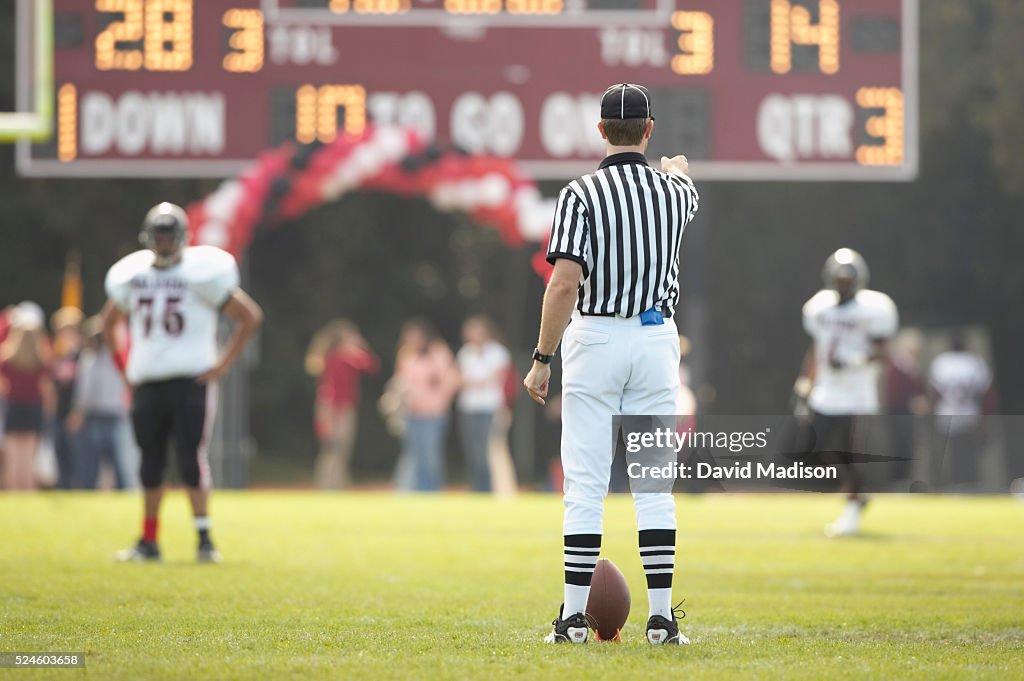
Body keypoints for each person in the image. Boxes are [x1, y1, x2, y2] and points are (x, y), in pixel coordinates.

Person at [523, 83, 699, 645]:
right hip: (654, 340)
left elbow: (564, 284)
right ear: (648, 129)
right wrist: (677, 170)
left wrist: (540, 358)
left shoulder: (580, 194)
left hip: (596, 337)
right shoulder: (675, 194)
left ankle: (573, 619)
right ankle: (663, 620)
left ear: (600, 131)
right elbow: (682, 187)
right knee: (653, 488)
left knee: (585, 487)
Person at [102, 202, 262, 562]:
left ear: (182, 237)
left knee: (191, 460)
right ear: (148, 237)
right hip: (148, 383)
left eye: (169, 235)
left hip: (190, 381)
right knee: (150, 463)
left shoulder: (202, 273)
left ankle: (204, 540)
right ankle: (149, 541)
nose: (163, 242)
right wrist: (123, 365)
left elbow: (249, 316)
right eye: (158, 235)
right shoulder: (134, 276)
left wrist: (222, 364)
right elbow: (107, 321)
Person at [797, 248, 898, 537]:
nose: (843, 284)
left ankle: (852, 507)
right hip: (826, 392)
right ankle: (858, 495)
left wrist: (853, 361)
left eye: (847, 279)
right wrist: (805, 380)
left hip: (856, 393)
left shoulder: (872, 309)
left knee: (851, 453)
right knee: (818, 447)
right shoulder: (819, 307)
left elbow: (884, 354)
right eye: (839, 279)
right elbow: (816, 348)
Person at [305, 319, 380, 489]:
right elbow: (371, 364)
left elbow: (371, 366)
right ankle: (330, 485)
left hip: (339, 406)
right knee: (334, 448)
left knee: (336, 449)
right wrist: (361, 346)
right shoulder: (342, 357)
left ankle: (334, 483)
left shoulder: (333, 357)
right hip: (333, 407)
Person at [391, 319, 459, 492]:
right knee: (413, 456)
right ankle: (415, 492)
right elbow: (401, 381)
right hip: (412, 413)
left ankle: (432, 491)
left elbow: (451, 381)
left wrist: (439, 403)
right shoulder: (406, 354)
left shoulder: (438, 352)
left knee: (431, 456)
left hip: (433, 414)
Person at [66, 315, 130, 489]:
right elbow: (85, 391)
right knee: (93, 463)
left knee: (119, 464)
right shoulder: (90, 358)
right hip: (97, 415)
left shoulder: (117, 357)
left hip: (116, 415)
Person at [928, 331, 993, 490]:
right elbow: (986, 393)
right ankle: (972, 484)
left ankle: (956, 485)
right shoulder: (975, 362)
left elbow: (936, 393)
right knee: (971, 453)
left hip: (948, 413)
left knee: (953, 453)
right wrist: (985, 417)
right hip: (969, 412)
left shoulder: (941, 362)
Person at [0, 310, 55, 490]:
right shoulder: (42, 360)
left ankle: (14, 493)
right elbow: (46, 389)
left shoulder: (7, 359)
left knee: (13, 457)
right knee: (29, 458)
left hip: (14, 409)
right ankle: (28, 493)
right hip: (33, 409)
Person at [455, 316, 510, 492]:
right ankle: (477, 486)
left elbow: (497, 377)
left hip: (489, 407)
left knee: (488, 450)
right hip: (469, 407)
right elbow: (461, 379)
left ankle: (489, 487)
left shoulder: (498, 352)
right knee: (473, 449)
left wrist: (475, 381)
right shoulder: (465, 353)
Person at [50, 306, 84, 489]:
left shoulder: (84, 355)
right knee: (60, 455)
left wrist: (78, 410)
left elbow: (85, 387)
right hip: (58, 413)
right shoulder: (56, 355)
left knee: (77, 458)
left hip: (75, 415)